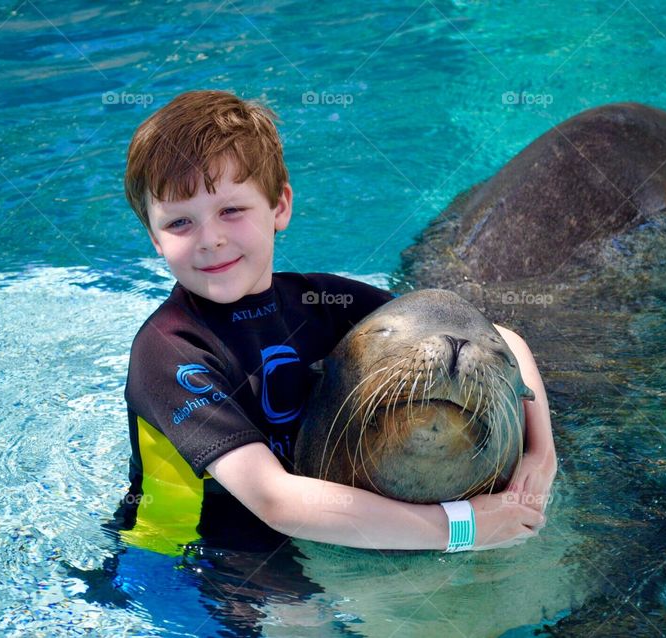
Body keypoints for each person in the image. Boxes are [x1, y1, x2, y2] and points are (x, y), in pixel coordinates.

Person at [120, 89, 556, 555]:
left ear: (279, 207)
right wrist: (462, 528)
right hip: (191, 558)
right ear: (154, 237)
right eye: (180, 223)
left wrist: (539, 455)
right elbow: (276, 501)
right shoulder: (169, 349)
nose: (210, 239)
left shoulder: (318, 299)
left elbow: (499, 337)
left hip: (316, 539)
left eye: (231, 210)